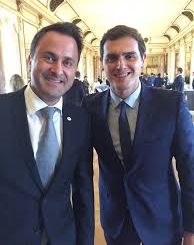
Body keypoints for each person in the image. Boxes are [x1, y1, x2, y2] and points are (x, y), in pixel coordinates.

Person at [82, 25, 194, 245]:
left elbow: (189, 169)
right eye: (112, 57)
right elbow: (82, 172)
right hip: (116, 221)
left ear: (143, 58)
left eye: (129, 56)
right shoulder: (89, 108)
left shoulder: (170, 105)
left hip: (163, 219)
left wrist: (191, 229)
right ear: (103, 63)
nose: (120, 65)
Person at [0, 22, 94, 245]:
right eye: (49, 58)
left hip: (62, 237)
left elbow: (83, 192)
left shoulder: (80, 120)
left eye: (68, 62)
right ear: (30, 60)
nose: (58, 70)